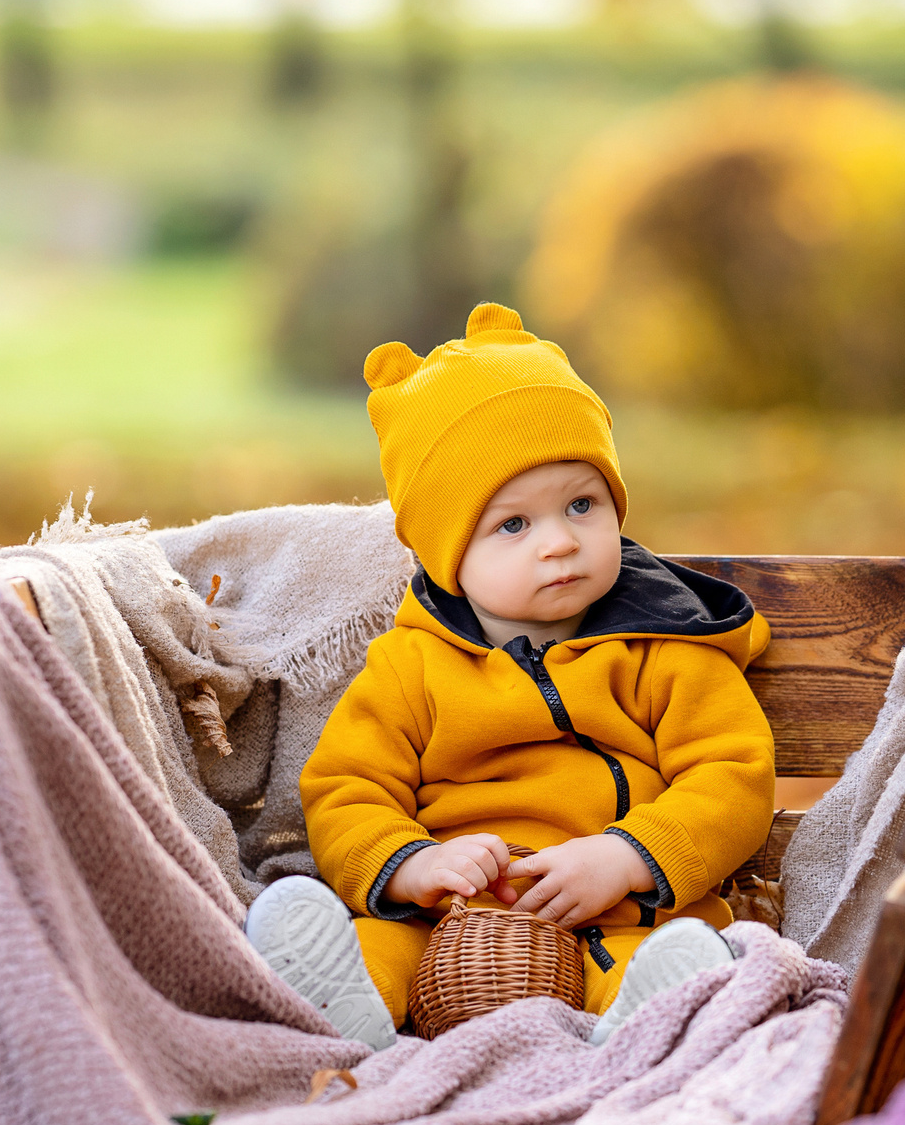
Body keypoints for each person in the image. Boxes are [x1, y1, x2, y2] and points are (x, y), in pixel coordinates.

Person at [246, 302, 776, 1050]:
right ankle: (343, 1010)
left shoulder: (666, 643)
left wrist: (628, 857)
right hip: (450, 920)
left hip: (614, 914)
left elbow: (732, 773)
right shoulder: (413, 665)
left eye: (582, 504)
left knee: (658, 959)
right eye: (513, 525)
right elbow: (346, 789)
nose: (559, 542)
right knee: (379, 950)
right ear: (445, 553)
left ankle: (644, 1026)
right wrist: (413, 866)